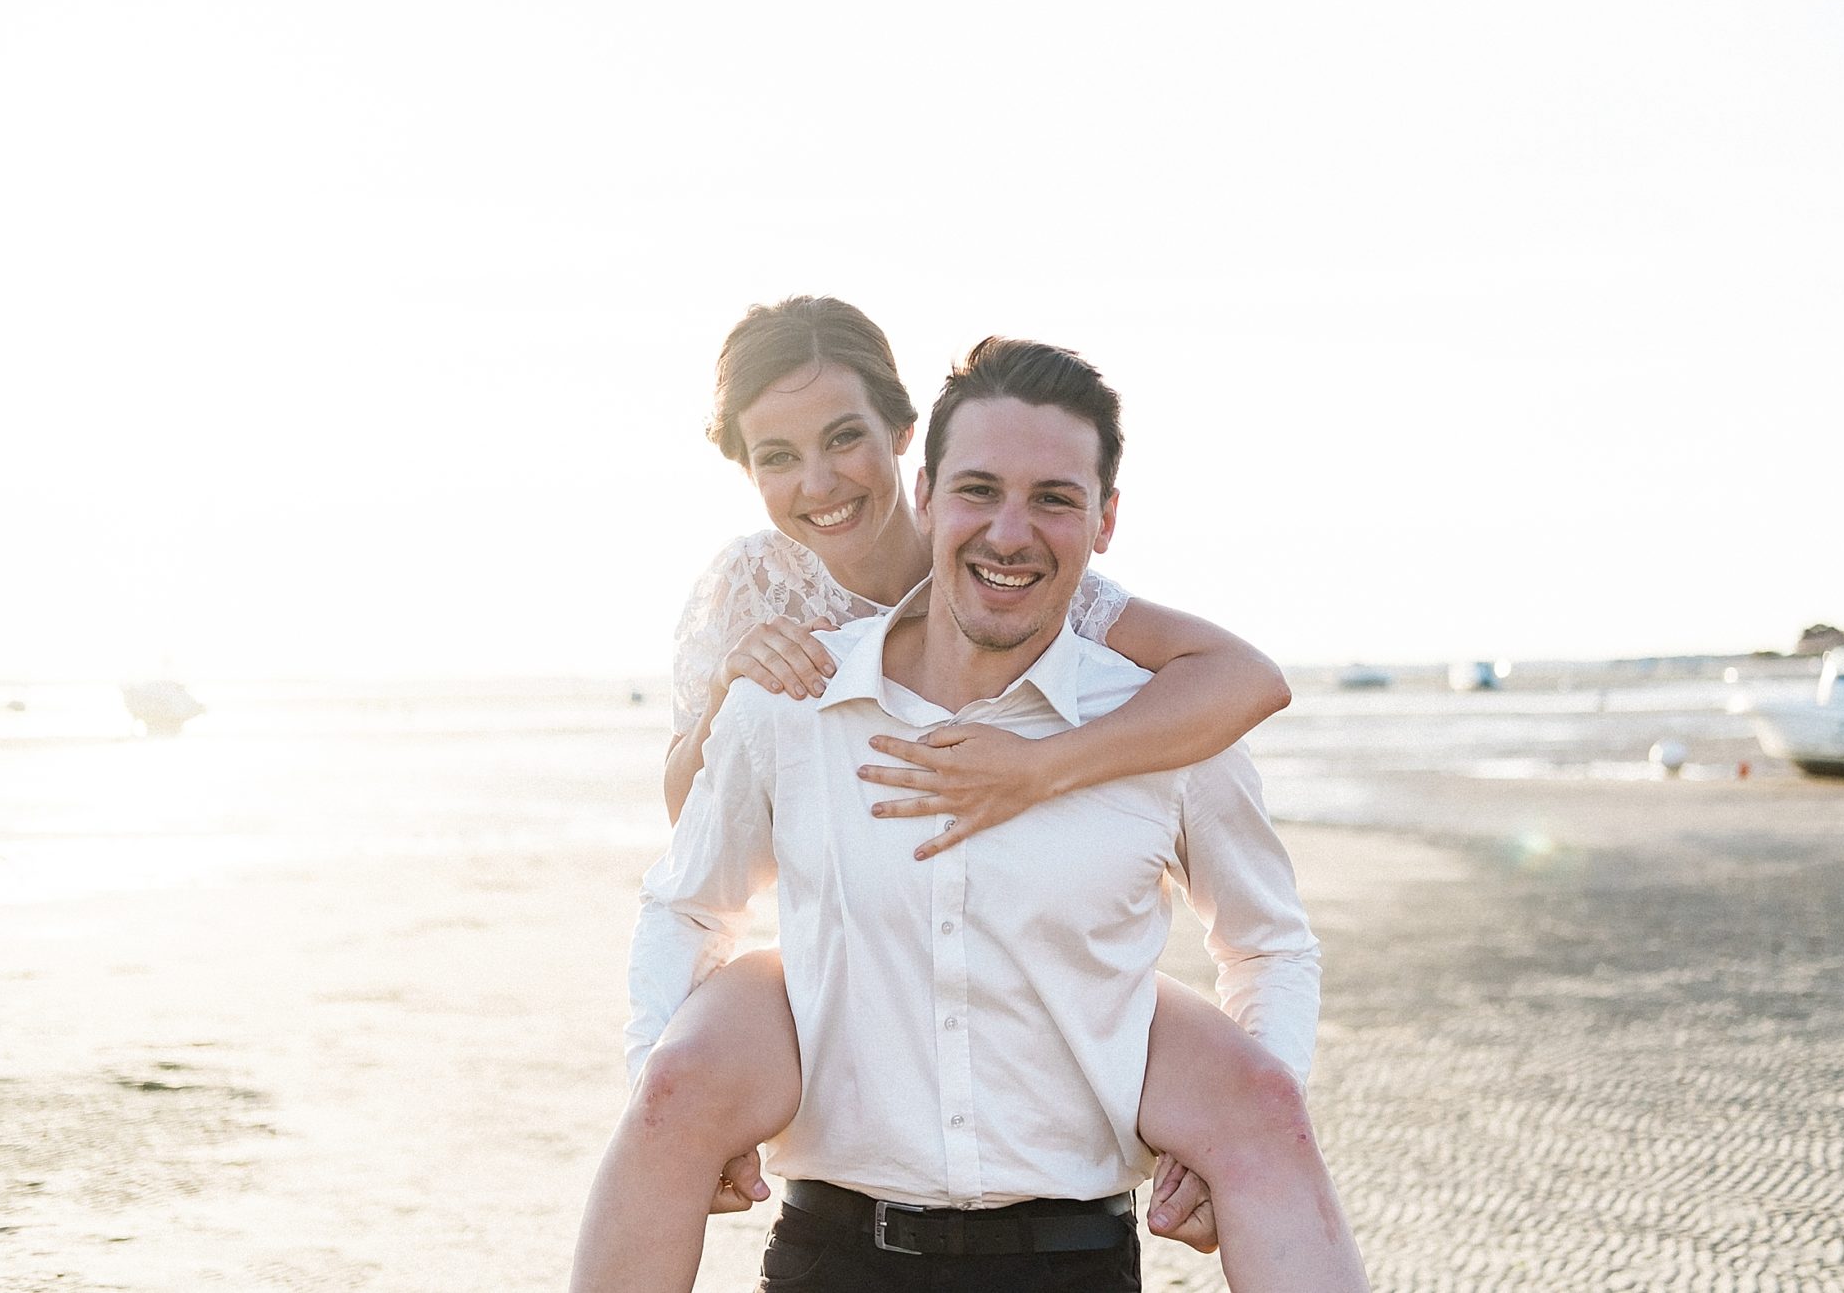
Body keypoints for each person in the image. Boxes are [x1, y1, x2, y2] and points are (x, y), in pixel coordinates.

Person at [569, 301, 1355, 1291]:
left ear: (899, 446)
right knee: (678, 1086)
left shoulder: (1119, 667)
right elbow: (695, 857)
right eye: (779, 455)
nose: (819, 483)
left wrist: (1041, 766)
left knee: (1256, 1104)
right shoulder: (769, 639)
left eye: (844, 438)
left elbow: (1245, 681)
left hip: (1068, 1224)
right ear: (936, 489)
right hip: (836, 1179)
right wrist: (736, 692)